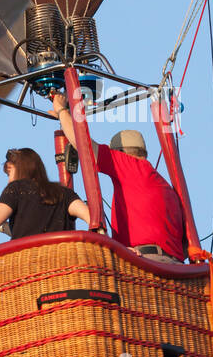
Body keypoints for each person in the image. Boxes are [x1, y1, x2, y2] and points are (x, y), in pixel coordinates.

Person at [50, 93, 187, 263]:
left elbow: (85, 147)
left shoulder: (132, 167)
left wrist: (62, 110)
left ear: (122, 154)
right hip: (174, 270)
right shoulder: (164, 188)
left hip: (146, 262)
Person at [0, 147, 90, 240]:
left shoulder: (16, 188)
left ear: (22, 168)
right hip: (61, 272)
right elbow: (91, 217)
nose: (9, 181)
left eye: (10, 172)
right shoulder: (64, 193)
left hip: (28, 272)